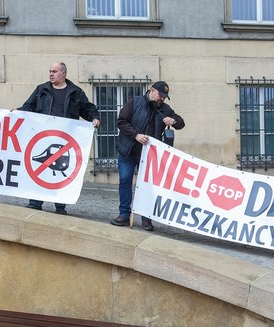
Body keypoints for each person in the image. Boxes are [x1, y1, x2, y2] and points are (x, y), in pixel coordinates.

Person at [17, 62, 100, 215]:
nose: (51, 74)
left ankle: (60, 206)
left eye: (54, 71)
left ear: (63, 73)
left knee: (62, 171)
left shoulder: (75, 92)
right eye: (50, 71)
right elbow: (29, 107)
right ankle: (35, 202)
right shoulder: (41, 90)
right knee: (40, 170)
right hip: (43, 138)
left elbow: (88, 109)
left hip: (64, 140)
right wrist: (15, 113)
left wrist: (94, 118)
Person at [110, 81, 185, 231]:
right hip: (128, 151)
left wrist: (174, 121)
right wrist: (136, 135)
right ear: (152, 91)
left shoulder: (165, 109)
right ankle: (124, 215)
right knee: (125, 181)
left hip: (149, 156)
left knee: (147, 187)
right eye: (160, 95)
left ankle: (146, 218)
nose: (162, 99)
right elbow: (121, 122)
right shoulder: (134, 102)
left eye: (164, 97)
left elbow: (181, 123)